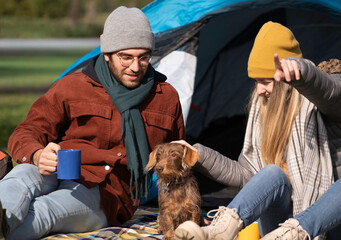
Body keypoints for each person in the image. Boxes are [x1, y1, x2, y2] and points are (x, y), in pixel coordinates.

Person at [0, 6, 185, 240]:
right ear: (107, 53)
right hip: (58, 170)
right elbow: (27, 131)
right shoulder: (73, 86)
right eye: (126, 57)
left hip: (108, 194)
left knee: (46, 210)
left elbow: (178, 157)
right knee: (21, 178)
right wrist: (37, 154)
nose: (135, 67)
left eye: (143, 58)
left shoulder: (165, 97)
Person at [173, 21, 341, 240]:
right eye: (256, 82)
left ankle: (296, 232)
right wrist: (197, 155)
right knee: (272, 172)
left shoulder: (324, 100)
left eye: (265, 81)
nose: (259, 90)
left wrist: (302, 72)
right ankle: (221, 231)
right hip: (276, 230)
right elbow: (248, 175)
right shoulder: (264, 111)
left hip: (325, 226)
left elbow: (328, 90)